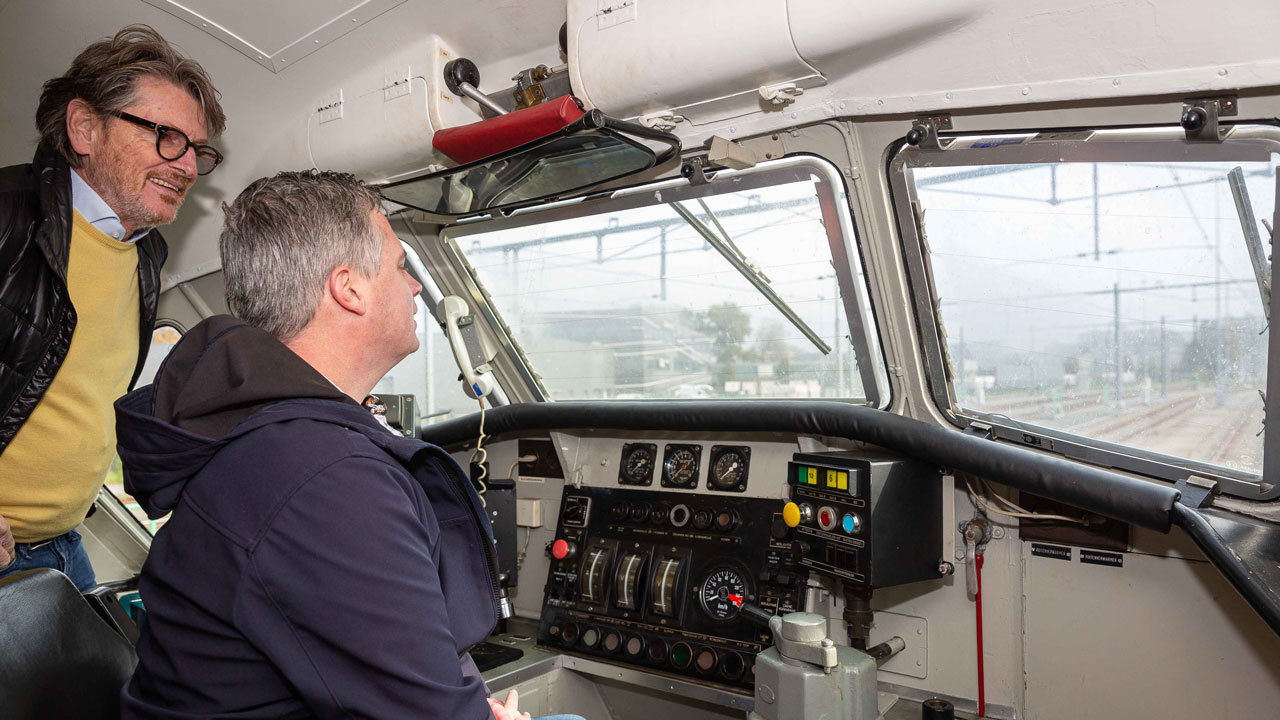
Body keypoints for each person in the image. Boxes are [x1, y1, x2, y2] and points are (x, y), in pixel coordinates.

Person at [116, 171, 581, 720]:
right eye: (401, 266)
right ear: (349, 289)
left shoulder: (268, 435)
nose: (415, 287)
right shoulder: (326, 478)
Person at [0, 25, 225, 590]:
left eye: (197, 150)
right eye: (167, 136)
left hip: (65, 543)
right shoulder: (6, 218)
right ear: (84, 127)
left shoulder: (146, 254)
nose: (188, 166)